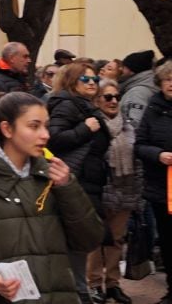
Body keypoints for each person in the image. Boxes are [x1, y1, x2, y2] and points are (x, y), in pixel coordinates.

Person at [0, 92, 104, 303]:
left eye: (46, 126)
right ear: (7, 129)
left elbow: (89, 240)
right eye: (34, 126)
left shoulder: (54, 176)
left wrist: (68, 189)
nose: (45, 135)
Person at [46, 61, 109, 302]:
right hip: (75, 182)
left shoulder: (83, 105)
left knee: (80, 239)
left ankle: (78, 291)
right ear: (73, 82)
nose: (92, 83)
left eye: (95, 79)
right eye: (86, 79)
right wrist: (85, 128)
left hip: (86, 182)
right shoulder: (67, 105)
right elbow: (54, 139)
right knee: (77, 239)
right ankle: (78, 293)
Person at [86, 79, 139, 304]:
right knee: (96, 240)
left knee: (117, 240)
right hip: (100, 190)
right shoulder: (92, 125)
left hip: (124, 190)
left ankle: (113, 284)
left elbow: (136, 160)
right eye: (108, 97)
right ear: (97, 100)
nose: (113, 101)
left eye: (116, 96)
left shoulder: (128, 125)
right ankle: (95, 284)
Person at [133, 60, 172, 304]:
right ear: (160, 83)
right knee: (168, 241)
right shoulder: (153, 109)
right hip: (162, 189)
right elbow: (139, 145)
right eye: (168, 80)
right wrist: (158, 155)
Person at [120, 49, 157, 126]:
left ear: (132, 71)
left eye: (124, 67)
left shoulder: (138, 93)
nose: (121, 70)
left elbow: (134, 125)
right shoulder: (142, 87)